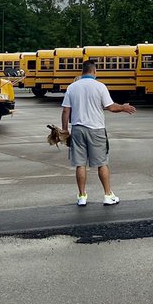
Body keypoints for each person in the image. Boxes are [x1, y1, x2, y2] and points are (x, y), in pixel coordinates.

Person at [60, 60, 136, 206]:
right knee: (102, 163)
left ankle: (82, 196)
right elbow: (111, 107)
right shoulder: (100, 86)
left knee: (80, 164)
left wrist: (64, 129)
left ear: (82, 71)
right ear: (94, 71)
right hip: (96, 129)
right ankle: (108, 195)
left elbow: (65, 110)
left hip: (77, 129)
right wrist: (123, 107)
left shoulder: (72, 87)